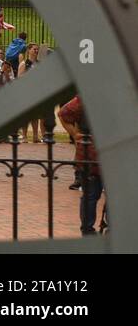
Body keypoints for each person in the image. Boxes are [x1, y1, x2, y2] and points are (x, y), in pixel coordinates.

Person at [58, 96, 103, 234]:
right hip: (91, 150)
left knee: (92, 194)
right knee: (91, 194)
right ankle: (89, 230)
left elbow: (63, 113)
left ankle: (90, 230)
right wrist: (75, 134)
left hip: (103, 150)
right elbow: (63, 114)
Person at [19, 44, 43, 141]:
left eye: (37, 49)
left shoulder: (39, 63)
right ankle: (24, 136)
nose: (36, 51)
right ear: (29, 50)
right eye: (34, 49)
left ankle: (35, 136)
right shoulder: (24, 64)